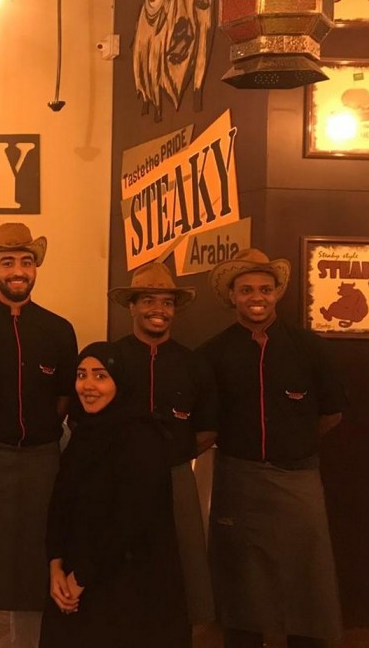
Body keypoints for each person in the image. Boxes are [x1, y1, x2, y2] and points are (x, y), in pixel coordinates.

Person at [199, 249, 345, 648]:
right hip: (238, 477)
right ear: (232, 296)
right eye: (246, 290)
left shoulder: (309, 346)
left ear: (277, 292)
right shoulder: (211, 353)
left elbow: (331, 414)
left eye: (265, 289)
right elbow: (206, 422)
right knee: (241, 575)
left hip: (298, 476)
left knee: (306, 572)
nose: (256, 297)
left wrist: (293, 443)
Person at [0, 223, 78, 648]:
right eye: (7, 262)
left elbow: (64, 397)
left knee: (37, 565)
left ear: (35, 267)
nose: (18, 270)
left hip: (44, 462)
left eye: (26, 261)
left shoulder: (58, 330)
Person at [40, 342, 189, 648]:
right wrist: (55, 566)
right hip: (74, 580)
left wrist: (80, 578)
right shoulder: (84, 434)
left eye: (100, 376)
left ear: (121, 381)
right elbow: (61, 503)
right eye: (81, 375)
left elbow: (131, 521)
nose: (88, 385)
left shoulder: (143, 437)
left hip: (127, 587)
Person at [108, 261, 217, 626]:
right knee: (119, 566)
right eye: (149, 300)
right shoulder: (110, 359)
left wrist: (172, 457)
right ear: (132, 306)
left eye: (167, 302)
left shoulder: (194, 365)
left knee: (180, 568)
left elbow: (208, 429)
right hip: (118, 481)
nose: (159, 309)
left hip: (176, 479)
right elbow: (84, 423)